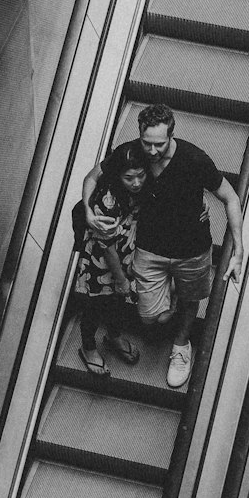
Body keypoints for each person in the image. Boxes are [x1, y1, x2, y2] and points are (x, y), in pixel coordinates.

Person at [83, 103, 244, 389]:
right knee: (150, 317)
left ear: (172, 135)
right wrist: (87, 210)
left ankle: (181, 346)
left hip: (192, 249)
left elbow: (230, 198)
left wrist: (238, 252)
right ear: (140, 135)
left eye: (160, 144)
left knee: (191, 299)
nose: (153, 151)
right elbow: (93, 176)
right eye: (148, 143)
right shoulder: (134, 154)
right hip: (150, 249)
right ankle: (170, 291)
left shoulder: (194, 159)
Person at [73, 141, 147, 377]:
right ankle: (88, 347)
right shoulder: (108, 202)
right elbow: (108, 249)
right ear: (118, 176)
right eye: (129, 178)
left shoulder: (141, 188)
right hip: (101, 261)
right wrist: (123, 281)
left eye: (140, 176)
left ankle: (113, 335)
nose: (136, 183)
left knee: (117, 303)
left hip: (125, 251)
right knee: (94, 305)